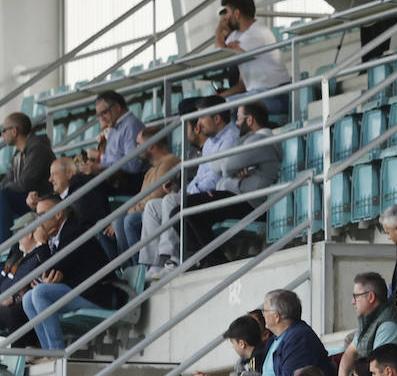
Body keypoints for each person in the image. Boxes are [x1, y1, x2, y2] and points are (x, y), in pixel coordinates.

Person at [138, 95, 241, 273]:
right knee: (153, 207)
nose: (198, 123)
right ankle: (153, 266)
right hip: (200, 192)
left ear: (216, 118)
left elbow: (218, 177)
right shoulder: (209, 143)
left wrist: (189, 193)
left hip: (220, 193)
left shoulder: (230, 138)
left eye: (202, 117)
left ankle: (172, 258)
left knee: (171, 201)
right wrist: (184, 191)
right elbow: (201, 175)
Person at [179, 102, 283, 261]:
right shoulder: (248, 140)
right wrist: (232, 170)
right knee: (181, 211)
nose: (236, 123)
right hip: (239, 196)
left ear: (250, 121)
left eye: (239, 118)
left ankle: (215, 262)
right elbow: (219, 166)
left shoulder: (260, 140)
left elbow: (225, 166)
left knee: (188, 209)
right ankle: (209, 260)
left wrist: (231, 171)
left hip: (251, 202)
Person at [19, 195, 122, 350]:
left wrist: (41, 243)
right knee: (27, 298)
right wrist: (52, 272)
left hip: (100, 294)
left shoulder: (73, 232)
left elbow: (50, 270)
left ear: (58, 214)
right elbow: (51, 273)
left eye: (41, 215)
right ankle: (48, 351)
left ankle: (56, 351)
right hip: (80, 291)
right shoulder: (56, 237)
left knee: (41, 293)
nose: (38, 221)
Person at [214, 0, 291, 115]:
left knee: (223, 108)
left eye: (227, 13)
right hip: (256, 94)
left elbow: (222, 55)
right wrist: (221, 96)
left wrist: (219, 29)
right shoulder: (236, 35)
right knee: (216, 104)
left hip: (275, 95)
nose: (224, 17)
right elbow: (242, 84)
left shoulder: (257, 33)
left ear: (237, 13)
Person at [335, 273, 397, 376]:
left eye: (355, 296)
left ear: (370, 296)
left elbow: (378, 369)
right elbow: (349, 353)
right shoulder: (369, 320)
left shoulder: (388, 324)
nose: (353, 302)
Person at [111, 126, 178, 261]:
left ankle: (140, 269)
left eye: (138, 144)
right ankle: (128, 270)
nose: (136, 149)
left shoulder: (169, 162)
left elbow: (158, 195)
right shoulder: (150, 171)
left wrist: (130, 211)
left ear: (151, 146)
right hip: (147, 209)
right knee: (117, 221)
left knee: (129, 220)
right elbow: (141, 198)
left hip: (161, 210)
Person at [261, 289, 332, 376]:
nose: (262, 313)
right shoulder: (276, 339)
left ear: (276, 316)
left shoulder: (299, 339)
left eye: (264, 310)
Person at [0, 113, 54, 236]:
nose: (2, 135)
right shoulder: (18, 154)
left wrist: (4, 187)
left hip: (41, 200)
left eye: (4, 130)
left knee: (2, 196)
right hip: (27, 200)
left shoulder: (38, 148)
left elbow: (26, 183)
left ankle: (5, 247)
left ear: (14, 131)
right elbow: (7, 180)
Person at [87, 90, 145, 194]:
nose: (102, 119)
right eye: (99, 116)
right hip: (115, 176)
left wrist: (100, 158)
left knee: (84, 182)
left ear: (117, 107)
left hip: (129, 179)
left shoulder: (131, 125)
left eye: (104, 113)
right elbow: (112, 159)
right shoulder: (114, 127)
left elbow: (133, 165)